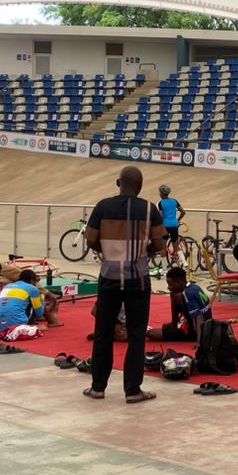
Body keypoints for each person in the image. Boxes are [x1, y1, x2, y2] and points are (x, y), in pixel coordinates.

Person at [83, 166, 166, 403]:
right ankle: (132, 390)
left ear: (118, 183)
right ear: (139, 186)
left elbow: (90, 240)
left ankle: (98, 387)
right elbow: (159, 244)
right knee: (137, 334)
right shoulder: (149, 209)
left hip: (108, 277)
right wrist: (142, 253)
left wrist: (108, 252)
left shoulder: (102, 206)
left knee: (103, 333)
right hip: (138, 279)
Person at [146, 266, 211, 341]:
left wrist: (200, 342)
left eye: (170, 284)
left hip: (194, 331)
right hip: (207, 327)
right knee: (166, 326)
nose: (168, 288)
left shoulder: (187, 294)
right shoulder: (194, 287)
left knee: (150, 333)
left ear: (179, 283)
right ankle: (175, 326)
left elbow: (199, 317)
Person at [0, 269, 47, 341]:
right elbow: (39, 314)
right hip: (18, 326)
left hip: (1, 327)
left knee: (22, 302)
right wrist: (42, 296)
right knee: (32, 304)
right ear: (32, 280)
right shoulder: (32, 288)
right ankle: (30, 326)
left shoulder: (7, 286)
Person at [157, 185, 185, 253]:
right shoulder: (174, 201)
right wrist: (178, 220)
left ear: (161, 193)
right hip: (174, 225)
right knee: (176, 246)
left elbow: (160, 216)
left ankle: (162, 261)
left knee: (162, 245)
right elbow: (183, 212)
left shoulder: (161, 203)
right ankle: (183, 262)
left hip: (165, 226)